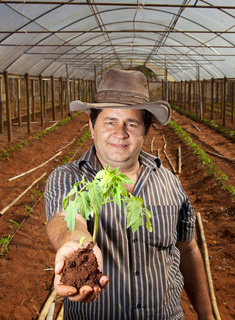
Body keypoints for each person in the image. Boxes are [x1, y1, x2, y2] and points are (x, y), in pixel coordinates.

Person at [45, 68, 214, 319]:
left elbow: (187, 249)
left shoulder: (168, 181)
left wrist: (206, 314)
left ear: (146, 130)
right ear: (92, 126)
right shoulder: (69, 177)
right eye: (110, 121)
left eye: (131, 124)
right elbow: (64, 218)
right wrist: (75, 241)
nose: (120, 133)